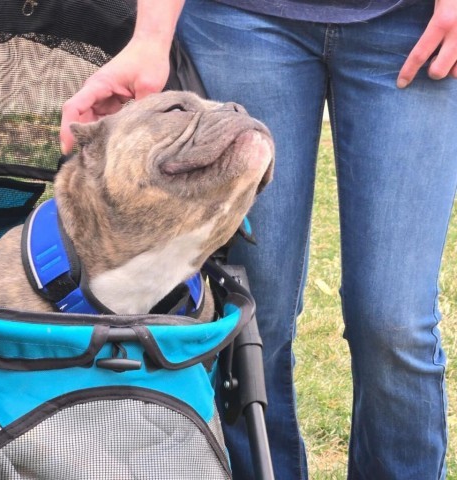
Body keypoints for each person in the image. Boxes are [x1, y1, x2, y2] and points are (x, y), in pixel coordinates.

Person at [60, 1, 457, 478]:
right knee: (251, 309)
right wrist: (150, 36)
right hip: (241, 20)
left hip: (410, 25)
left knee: (393, 322)